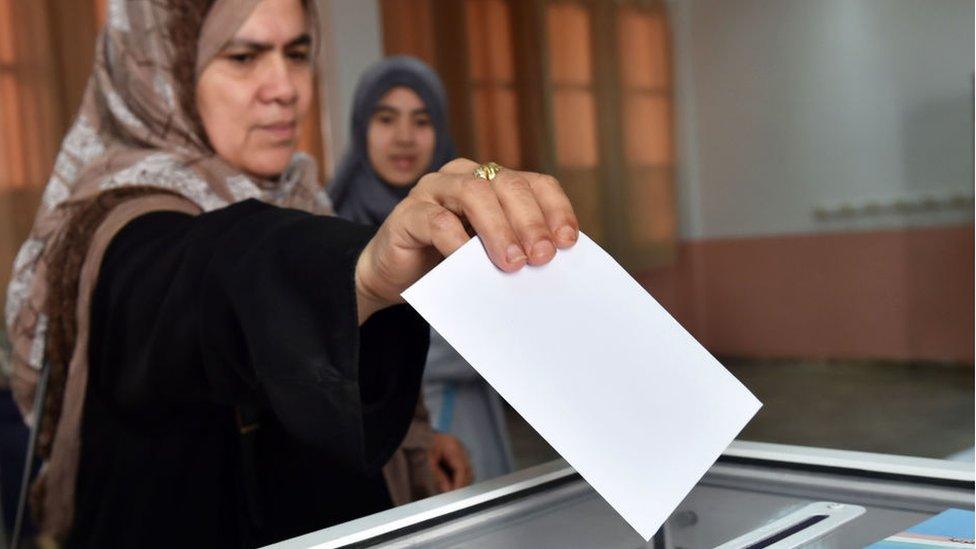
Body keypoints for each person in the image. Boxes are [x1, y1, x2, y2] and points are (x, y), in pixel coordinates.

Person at [3, 0, 578, 547]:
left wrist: (412, 443)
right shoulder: (122, 231)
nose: (285, 89)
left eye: (298, 53)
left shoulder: (302, 196)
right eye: (243, 57)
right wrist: (362, 268)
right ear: (161, 69)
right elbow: (219, 268)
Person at [329, 56, 515, 487]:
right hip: (373, 427)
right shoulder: (329, 222)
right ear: (361, 128)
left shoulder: (472, 212)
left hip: (469, 415)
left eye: (422, 120)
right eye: (386, 118)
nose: (404, 138)